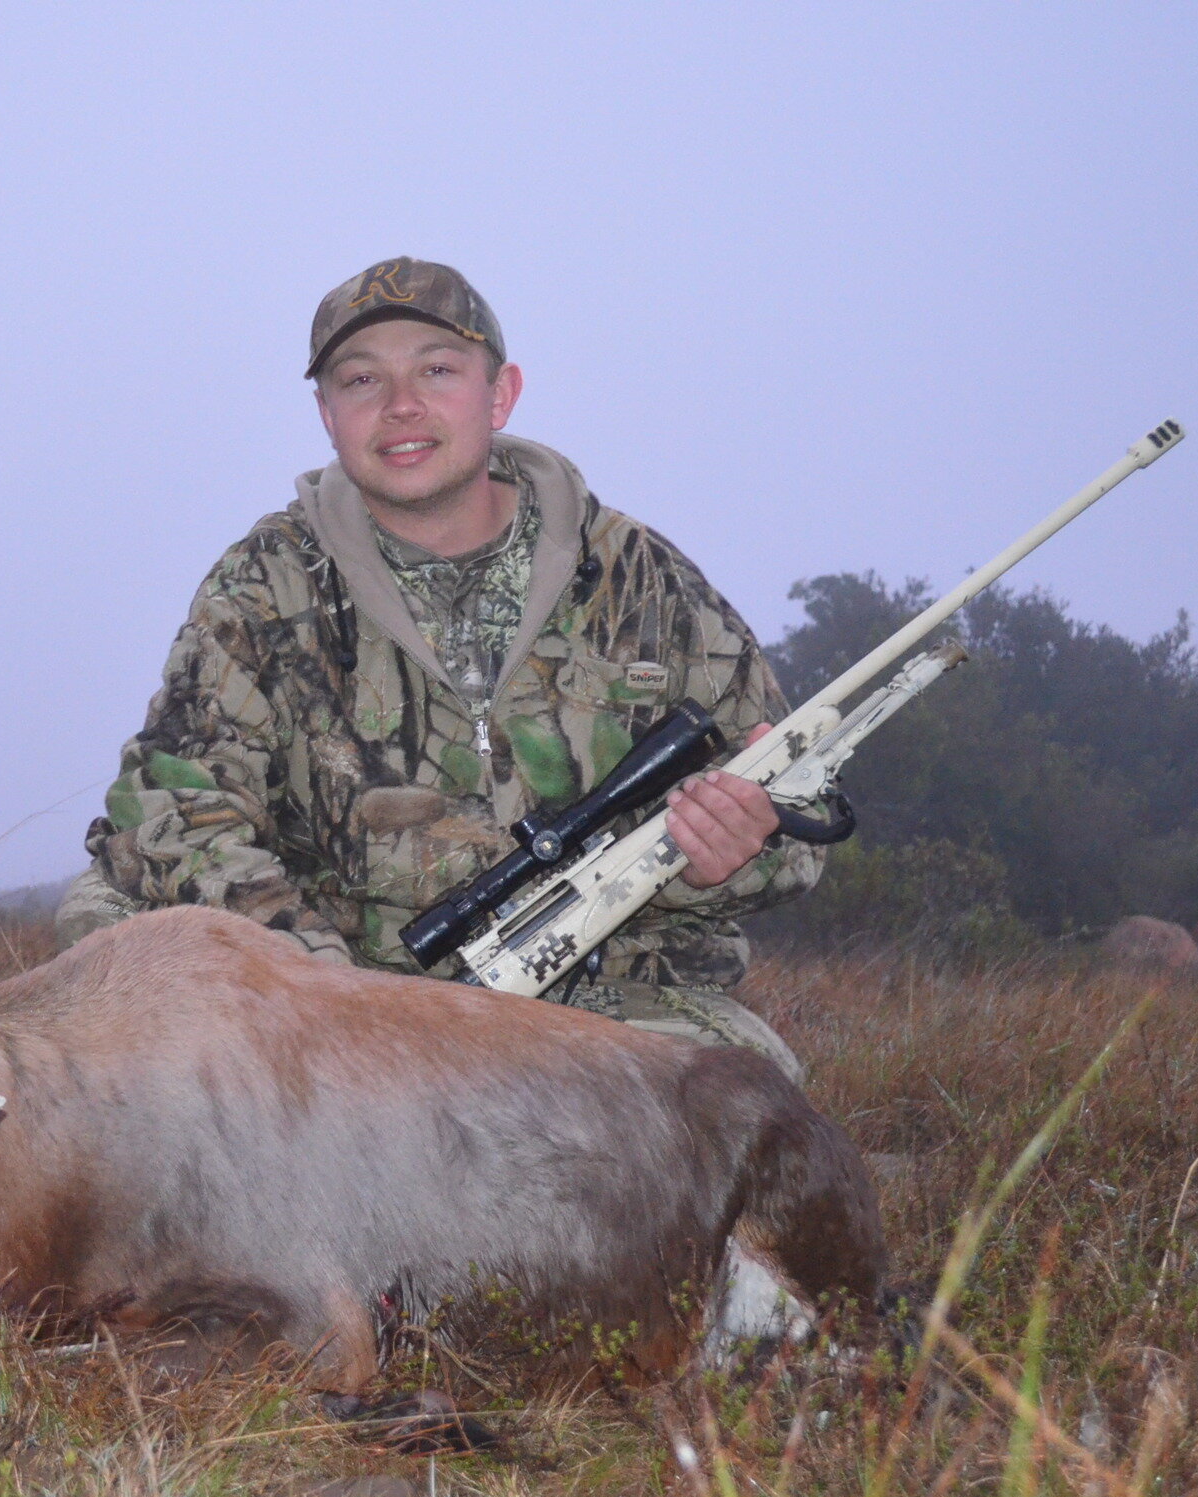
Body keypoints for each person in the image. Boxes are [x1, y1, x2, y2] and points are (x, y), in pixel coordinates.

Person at [57, 257, 824, 1080]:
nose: (401, 407)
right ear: (327, 414)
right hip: (334, 990)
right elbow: (178, 803)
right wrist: (317, 983)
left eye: (437, 369)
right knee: (105, 922)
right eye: (360, 379)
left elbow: (799, 814)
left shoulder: (642, 578)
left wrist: (731, 853)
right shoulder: (267, 580)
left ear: (501, 393)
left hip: (602, 988)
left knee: (747, 1105)